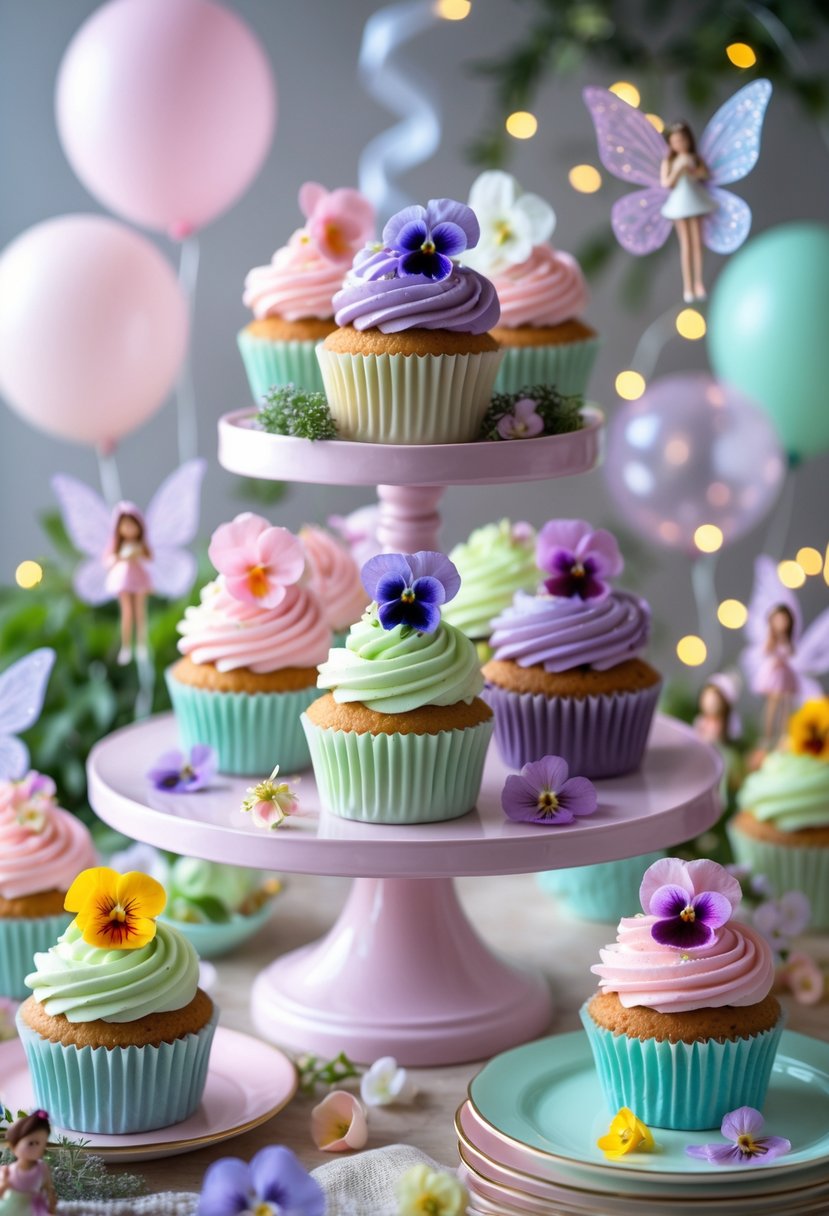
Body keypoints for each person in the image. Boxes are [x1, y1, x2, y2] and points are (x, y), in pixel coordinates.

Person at [659, 121, 716, 303]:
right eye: (675, 141)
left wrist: (693, 171)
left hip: (695, 200)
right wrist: (678, 171)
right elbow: (666, 183)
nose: (679, 144)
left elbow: (705, 174)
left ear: (689, 140)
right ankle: (688, 286)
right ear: (670, 144)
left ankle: (698, 282)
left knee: (698, 243)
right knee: (686, 245)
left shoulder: (694, 157)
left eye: (682, 140)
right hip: (679, 203)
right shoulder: (669, 161)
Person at [104, 502, 153, 665]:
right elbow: (108, 561)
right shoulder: (117, 547)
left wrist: (137, 552)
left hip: (138, 578)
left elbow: (149, 557)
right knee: (127, 613)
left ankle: (141, 644)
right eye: (125, 526)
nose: (129, 529)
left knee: (140, 613)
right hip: (122, 579)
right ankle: (126, 646)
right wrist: (121, 557)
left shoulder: (140, 546)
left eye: (133, 525)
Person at [754, 604, 798, 748]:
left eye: (784, 620)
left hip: (785, 674)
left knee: (786, 703)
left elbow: (791, 653)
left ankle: (783, 734)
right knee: (772, 704)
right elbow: (765, 651)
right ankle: (767, 735)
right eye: (778, 620)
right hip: (775, 674)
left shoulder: (786, 639)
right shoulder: (771, 639)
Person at [0, 1111, 56, 1216]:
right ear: (14, 1145)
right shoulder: (8, 1170)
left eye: (41, 1144)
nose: (37, 1148)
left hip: (34, 1205)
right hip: (12, 1204)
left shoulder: (42, 1168)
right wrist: (5, 1184)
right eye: (31, 1143)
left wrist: (51, 1205)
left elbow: (48, 1189)